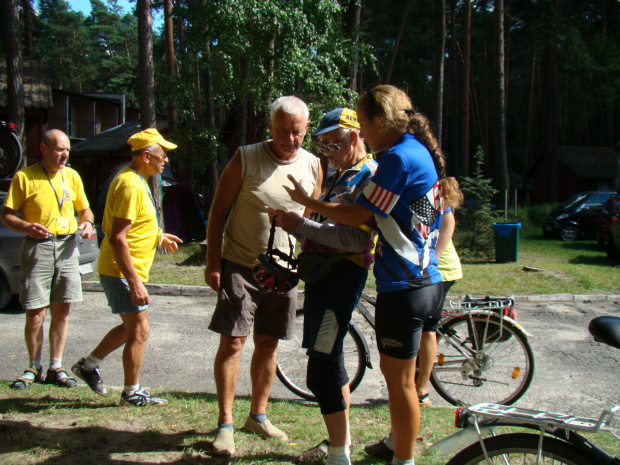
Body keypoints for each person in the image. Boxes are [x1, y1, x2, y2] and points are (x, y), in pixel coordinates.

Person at [284, 85, 460, 465]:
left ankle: (404, 460)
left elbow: (355, 218)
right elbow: (428, 217)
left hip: (404, 287)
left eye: (363, 123)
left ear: (381, 121)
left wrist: (305, 206)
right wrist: (425, 256)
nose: (362, 132)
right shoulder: (417, 153)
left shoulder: (397, 158)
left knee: (400, 386)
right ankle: (397, 450)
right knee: (402, 382)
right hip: (425, 280)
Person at [204, 96, 322, 457]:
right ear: (270, 127)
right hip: (240, 264)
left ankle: (257, 415)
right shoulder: (246, 157)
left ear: (306, 130)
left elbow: (314, 221)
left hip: (284, 272)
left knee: (269, 343)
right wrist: (213, 262)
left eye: (297, 131)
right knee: (234, 341)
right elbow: (217, 212)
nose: (289, 138)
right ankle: (225, 424)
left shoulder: (315, 165)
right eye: (283, 130)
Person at [269, 108, 377, 465]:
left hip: (342, 277)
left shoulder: (368, 175)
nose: (327, 150)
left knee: (321, 368)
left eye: (335, 142)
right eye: (323, 143)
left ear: (356, 137)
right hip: (321, 276)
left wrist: (300, 225)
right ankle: (339, 444)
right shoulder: (338, 172)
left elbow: (353, 239)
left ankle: (338, 456)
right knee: (331, 362)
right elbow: (324, 219)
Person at [71, 128, 182, 406]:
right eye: (162, 154)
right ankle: (131, 392)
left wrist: (159, 236)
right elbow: (118, 237)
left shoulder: (136, 179)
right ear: (146, 156)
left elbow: (133, 224)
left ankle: (88, 365)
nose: (165, 160)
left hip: (120, 268)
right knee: (140, 330)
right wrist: (134, 283)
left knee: (130, 326)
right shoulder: (132, 184)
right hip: (120, 270)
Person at [1, 129, 95, 390]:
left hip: (67, 248)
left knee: (62, 309)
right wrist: (26, 227)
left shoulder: (72, 176)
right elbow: (7, 215)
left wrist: (87, 223)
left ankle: (57, 366)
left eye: (67, 149)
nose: (64, 154)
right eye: (58, 149)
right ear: (43, 149)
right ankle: (33, 366)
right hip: (37, 248)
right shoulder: (24, 177)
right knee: (35, 311)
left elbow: (85, 210)